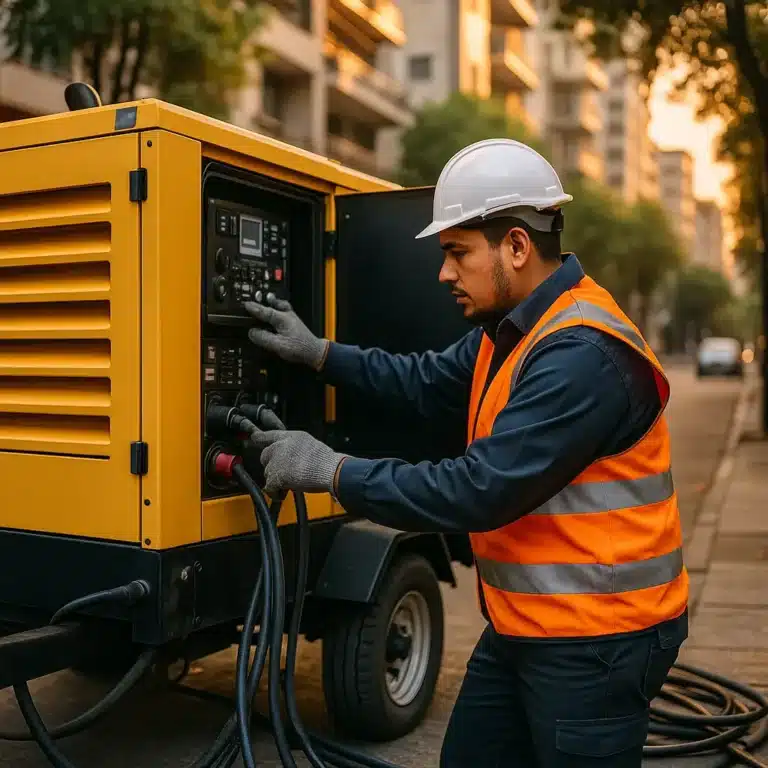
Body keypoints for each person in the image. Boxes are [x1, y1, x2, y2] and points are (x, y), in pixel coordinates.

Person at [244, 138, 689, 767]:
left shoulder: (581, 352)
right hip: (528, 626)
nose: (444, 273)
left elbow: (479, 490)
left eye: (457, 252)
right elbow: (424, 380)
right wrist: (319, 354)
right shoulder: (511, 330)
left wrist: (330, 470)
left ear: (516, 245)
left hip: (598, 641)